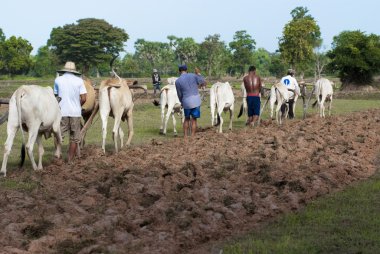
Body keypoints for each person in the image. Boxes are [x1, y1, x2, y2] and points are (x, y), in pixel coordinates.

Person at [54, 61, 87, 163]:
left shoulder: (58, 80)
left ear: (64, 70)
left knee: (58, 134)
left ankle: (58, 154)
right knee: (74, 137)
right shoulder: (79, 81)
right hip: (75, 113)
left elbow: (55, 97)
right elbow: (84, 98)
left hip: (61, 112)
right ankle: (70, 160)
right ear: (74, 71)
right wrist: (78, 105)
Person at [175, 65, 205, 138]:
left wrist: (182, 102)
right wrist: (198, 74)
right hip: (196, 100)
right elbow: (202, 81)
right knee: (194, 119)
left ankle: (185, 136)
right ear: (187, 70)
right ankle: (192, 136)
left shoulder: (177, 81)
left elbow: (179, 94)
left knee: (187, 118)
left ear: (179, 71)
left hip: (186, 101)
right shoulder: (193, 75)